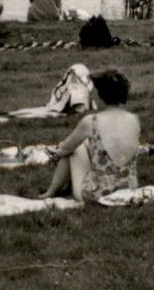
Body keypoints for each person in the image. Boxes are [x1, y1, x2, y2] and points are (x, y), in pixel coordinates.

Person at [39, 69, 138, 204]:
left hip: (98, 194)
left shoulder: (92, 120)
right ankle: (57, 189)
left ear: (99, 95)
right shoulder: (133, 119)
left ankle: (51, 191)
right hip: (128, 189)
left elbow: (65, 148)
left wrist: (54, 156)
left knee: (75, 148)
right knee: (88, 144)